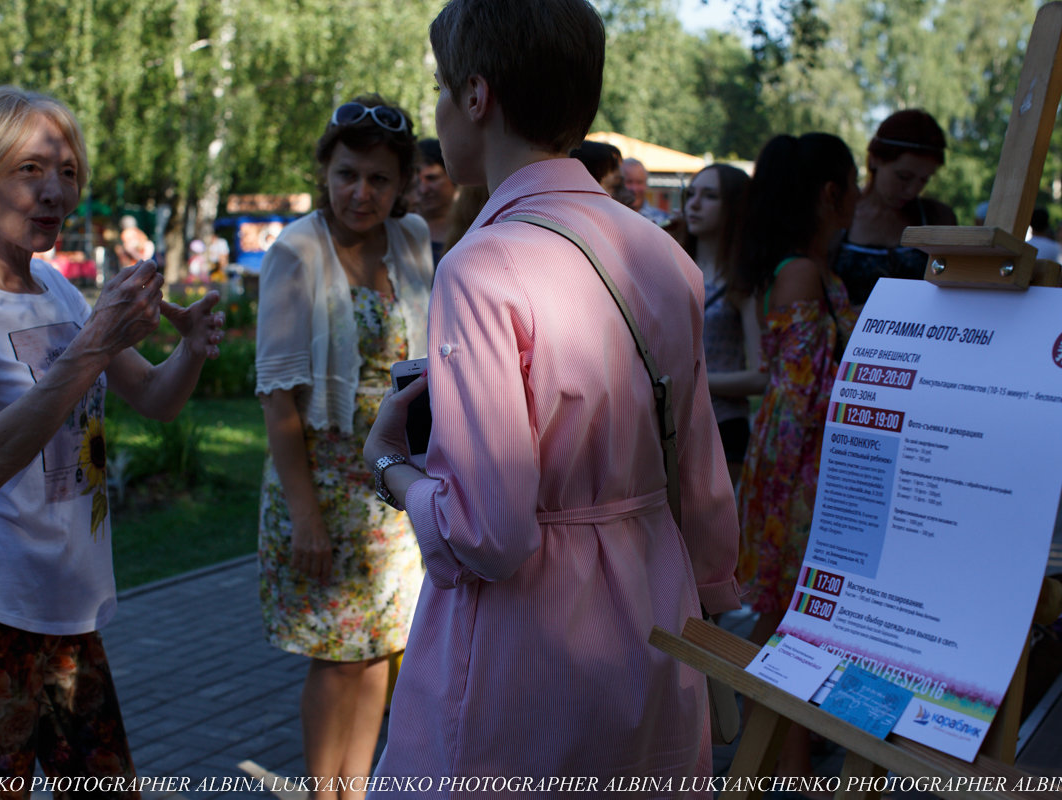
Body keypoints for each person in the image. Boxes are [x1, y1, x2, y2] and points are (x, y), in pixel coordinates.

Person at [362, 0, 740, 790]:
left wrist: (391, 469)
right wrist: (711, 593)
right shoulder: (664, 258)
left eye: (441, 85)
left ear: (476, 95)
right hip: (656, 622)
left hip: (522, 656)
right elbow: (701, 480)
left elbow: (489, 532)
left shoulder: (482, 264)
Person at [0, 85, 224, 796]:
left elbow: (155, 401)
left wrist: (191, 348)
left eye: (68, 172)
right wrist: (95, 343)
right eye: (31, 170)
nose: (55, 191)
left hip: (68, 614)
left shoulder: (58, 291)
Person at [253, 93, 432, 798]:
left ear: (401, 184)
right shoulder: (297, 251)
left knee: (379, 652)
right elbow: (277, 398)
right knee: (335, 659)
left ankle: (352, 791)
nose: (362, 193)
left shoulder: (412, 239)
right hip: (322, 486)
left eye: (379, 179)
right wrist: (305, 515)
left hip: (394, 489)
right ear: (325, 170)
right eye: (348, 173)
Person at [734, 132, 859, 778]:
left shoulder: (795, 269)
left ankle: (778, 761)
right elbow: (799, 398)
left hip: (787, 472)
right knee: (790, 622)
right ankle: (789, 766)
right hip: (800, 477)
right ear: (831, 194)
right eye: (853, 183)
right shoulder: (805, 273)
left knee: (785, 619)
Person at [679, 163, 765, 484]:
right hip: (665, 420)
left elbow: (762, 375)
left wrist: (696, 379)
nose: (694, 204)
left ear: (735, 207)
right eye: (692, 193)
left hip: (722, 426)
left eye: (710, 195)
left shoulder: (744, 285)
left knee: (710, 532)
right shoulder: (668, 267)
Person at [832, 108, 956, 306]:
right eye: (903, 177)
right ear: (874, 159)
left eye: (924, 180)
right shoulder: (841, 215)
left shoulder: (936, 218)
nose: (912, 190)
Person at [413, 138, 458, 266]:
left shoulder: (472, 226)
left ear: (452, 176)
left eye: (431, 178)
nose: (423, 189)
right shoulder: (398, 229)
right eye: (417, 180)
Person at [623, 156, 669, 226]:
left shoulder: (664, 220)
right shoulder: (608, 217)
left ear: (646, 185)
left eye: (639, 182)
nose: (634, 189)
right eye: (629, 182)